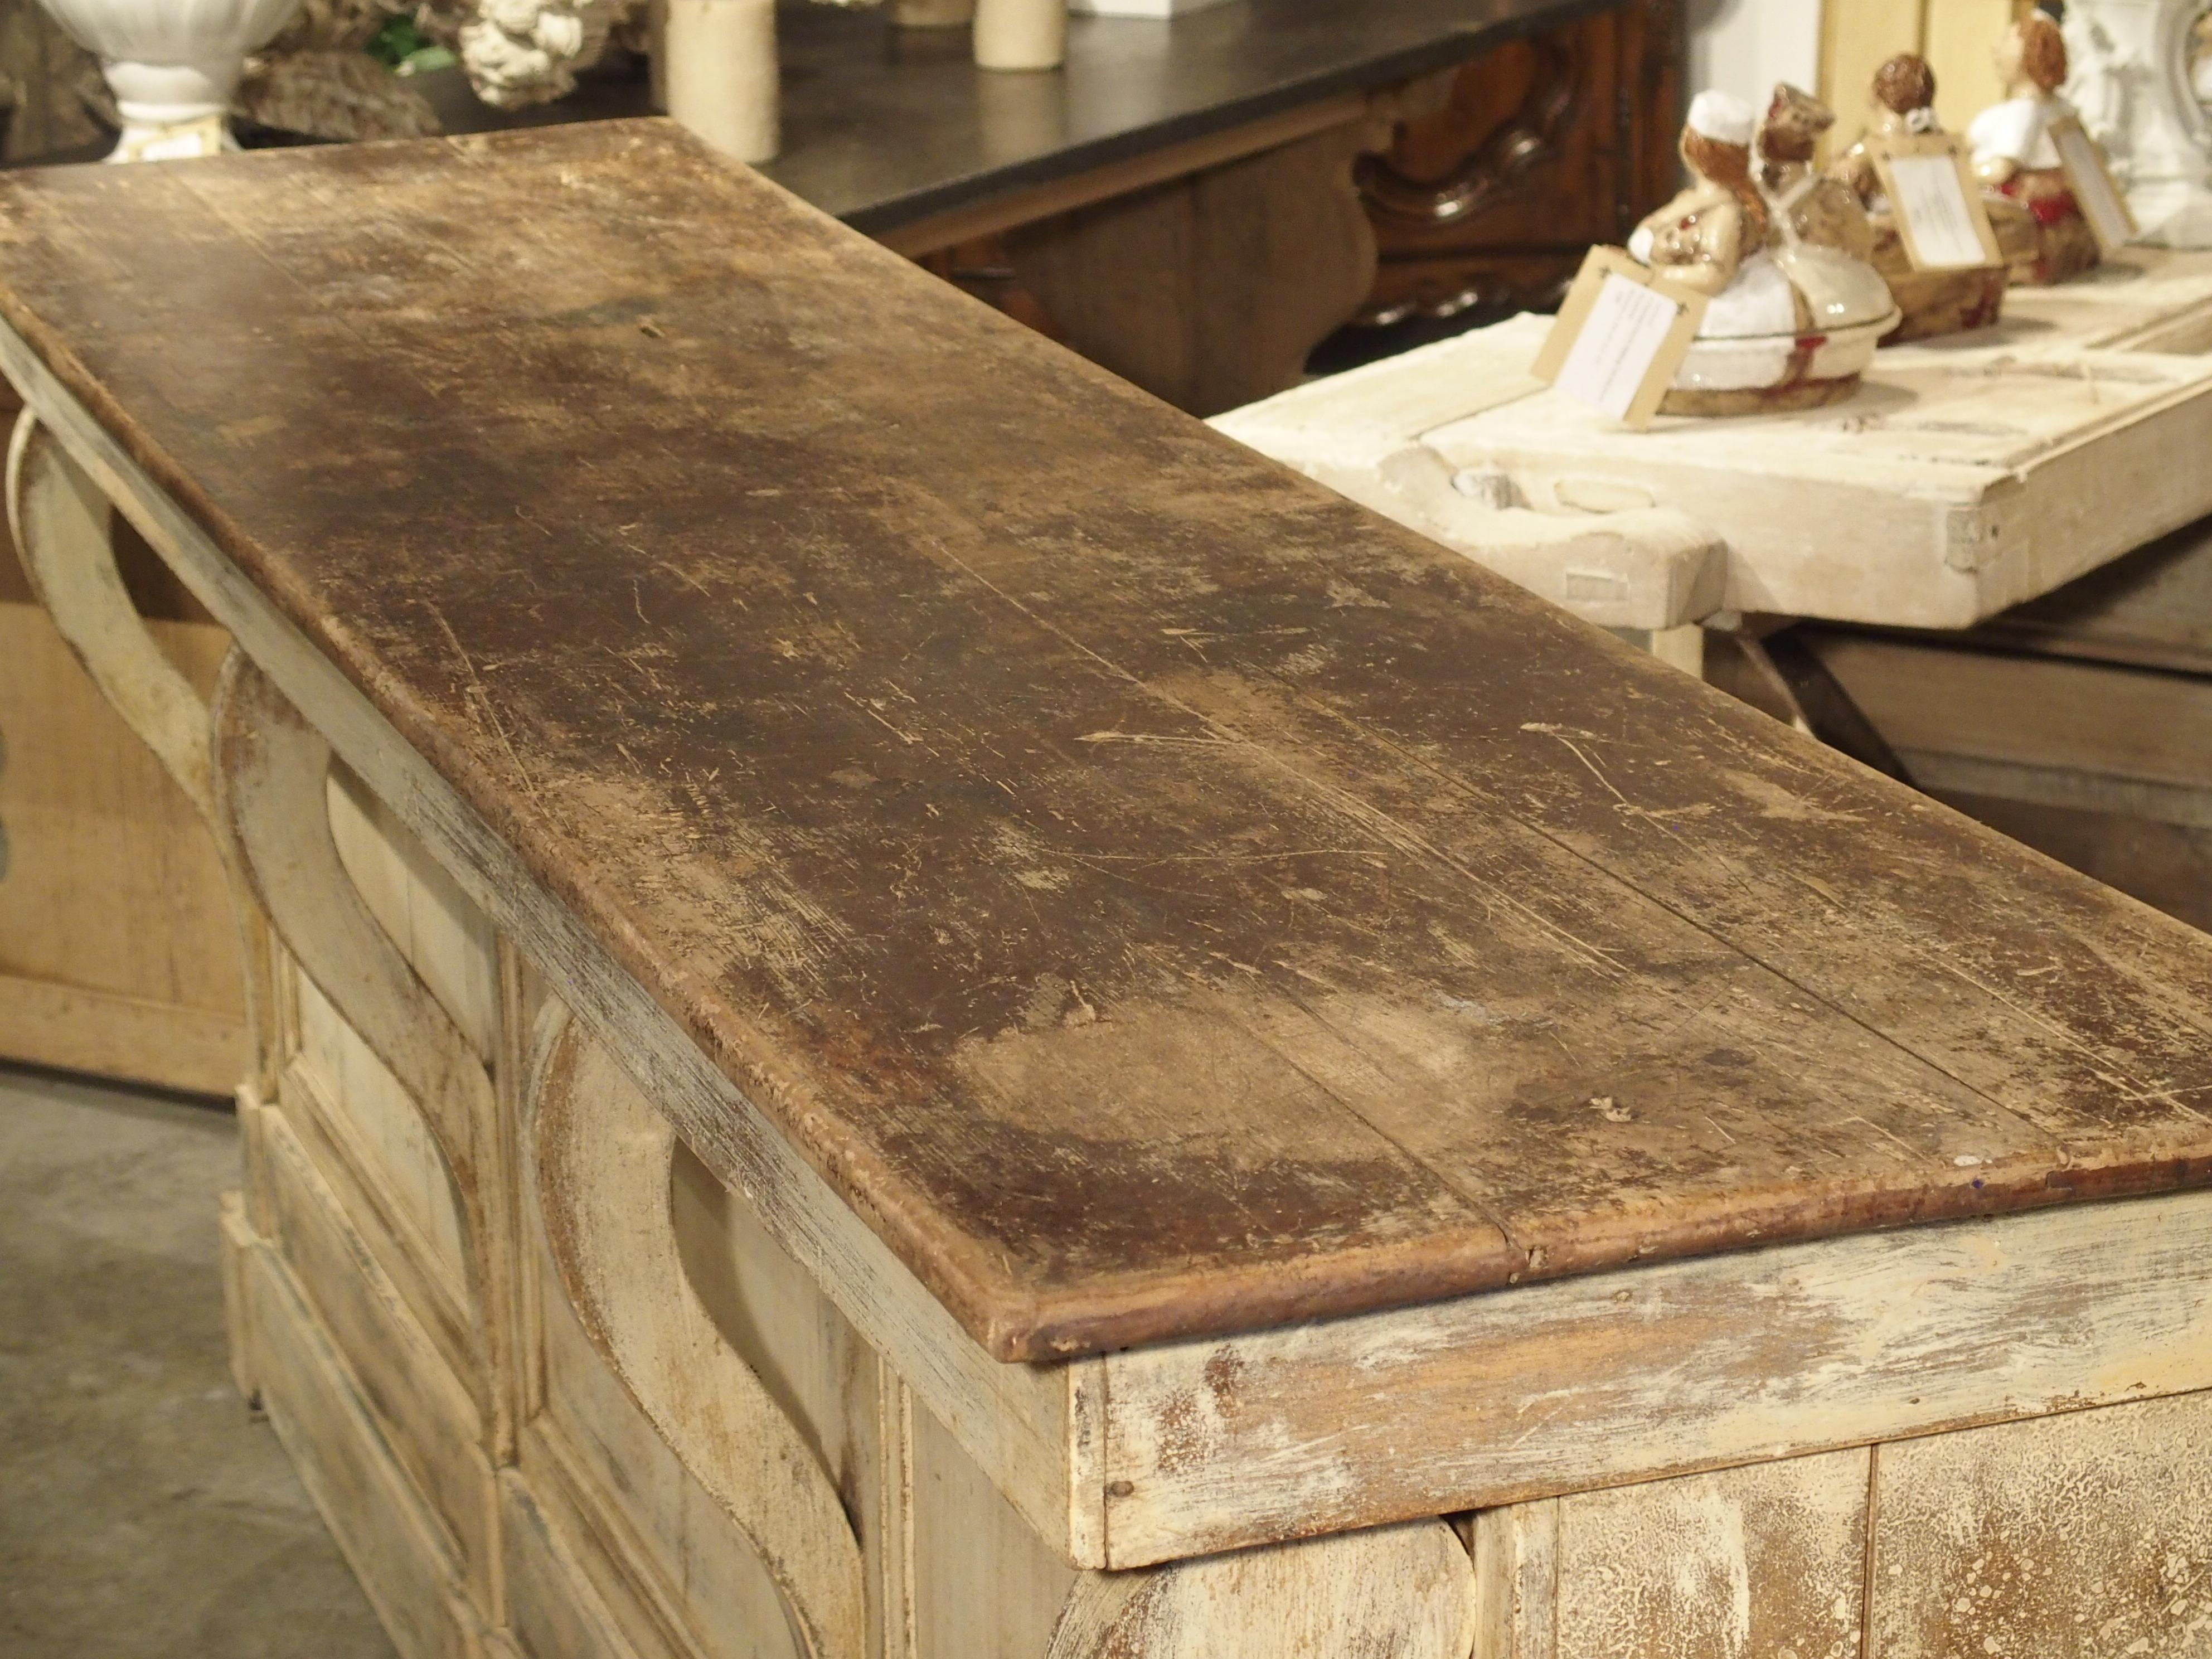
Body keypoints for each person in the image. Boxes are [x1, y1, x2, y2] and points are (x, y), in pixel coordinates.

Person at [1967, 9, 2100, 282]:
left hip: (2026, 199)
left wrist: (1959, 174)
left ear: (2028, 53)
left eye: (2006, 41)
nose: (1996, 48)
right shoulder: (2062, 107)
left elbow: (1999, 170)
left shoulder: (2025, 111)